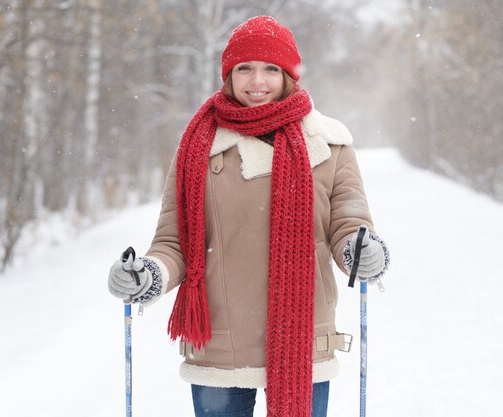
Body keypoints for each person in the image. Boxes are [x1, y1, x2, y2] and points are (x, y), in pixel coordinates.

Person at [108, 15, 389, 417]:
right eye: (245, 68)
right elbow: (173, 243)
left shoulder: (328, 145)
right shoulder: (196, 149)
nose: (257, 81)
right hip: (221, 345)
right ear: (229, 75)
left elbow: (350, 226)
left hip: (302, 339)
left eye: (271, 69)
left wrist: (363, 252)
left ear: (289, 75)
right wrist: (146, 276)